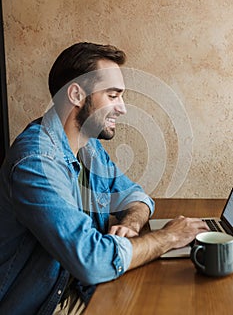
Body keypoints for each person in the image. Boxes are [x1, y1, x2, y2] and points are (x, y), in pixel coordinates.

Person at [0, 42, 209, 315]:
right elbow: (91, 260)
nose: (122, 108)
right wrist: (168, 238)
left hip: (83, 290)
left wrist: (131, 224)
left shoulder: (88, 146)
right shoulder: (36, 164)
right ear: (76, 94)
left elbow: (133, 194)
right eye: (113, 95)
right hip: (46, 306)